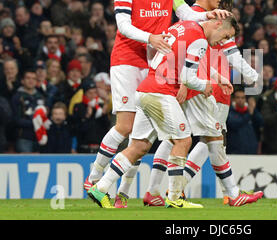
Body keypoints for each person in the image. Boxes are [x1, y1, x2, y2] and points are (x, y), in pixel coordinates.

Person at [84, 0, 230, 193]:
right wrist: (150, 37)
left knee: (144, 136)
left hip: (157, 62)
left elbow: (184, 12)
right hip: (128, 58)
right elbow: (123, 26)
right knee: (126, 126)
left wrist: (208, 14)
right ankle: (94, 176)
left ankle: (123, 192)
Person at [87, 17, 238, 209]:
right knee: (183, 140)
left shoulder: (182, 26)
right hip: (161, 92)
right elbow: (188, 77)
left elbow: (171, 56)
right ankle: (175, 198)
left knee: (139, 146)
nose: (222, 42)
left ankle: (100, 187)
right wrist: (206, 85)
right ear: (217, 24)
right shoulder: (199, 40)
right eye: (225, 35)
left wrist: (216, 76)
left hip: (145, 89)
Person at [142, 0, 259, 207]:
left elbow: (178, 50)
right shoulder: (211, 22)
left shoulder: (191, 18)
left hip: (195, 82)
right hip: (202, 87)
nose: (220, 5)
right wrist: (253, 76)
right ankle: (201, 192)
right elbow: (218, 54)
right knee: (213, 138)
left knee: (174, 138)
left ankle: (153, 190)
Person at [11, 69, 46, 153]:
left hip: (39, 137)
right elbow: (16, 120)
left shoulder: (40, 96)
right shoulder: (17, 97)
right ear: (22, 81)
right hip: (24, 138)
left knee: (39, 165)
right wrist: (35, 123)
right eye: (28, 78)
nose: (31, 81)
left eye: (34, 79)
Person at [226, 88, 263, 154]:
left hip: (251, 150)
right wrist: (249, 114)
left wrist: (254, 109)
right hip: (234, 151)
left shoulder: (251, 110)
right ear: (233, 99)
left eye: (243, 98)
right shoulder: (229, 112)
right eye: (238, 97)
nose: (240, 100)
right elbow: (234, 124)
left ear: (245, 100)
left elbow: (261, 122)